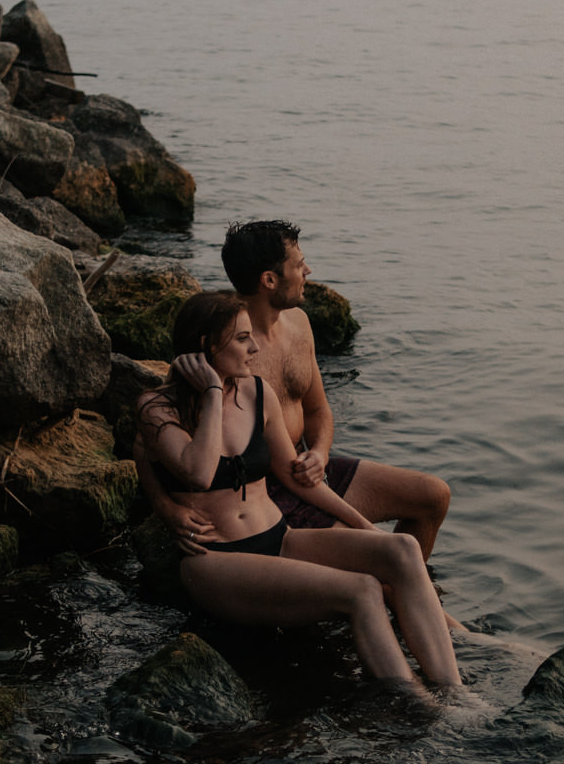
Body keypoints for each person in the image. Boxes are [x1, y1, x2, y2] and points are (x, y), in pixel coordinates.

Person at [138, 292, 460, 692]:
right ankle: (416, 703)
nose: (254, 347)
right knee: (361, 589)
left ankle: (456, 693)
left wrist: (363, 527)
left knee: (403, 549)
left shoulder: (257, 392)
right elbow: (199, 473)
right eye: (241, 339)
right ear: (205, 345)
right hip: (216, 559)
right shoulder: (157, 408)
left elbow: (294, 478)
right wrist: (212, 392)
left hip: (280, 539)